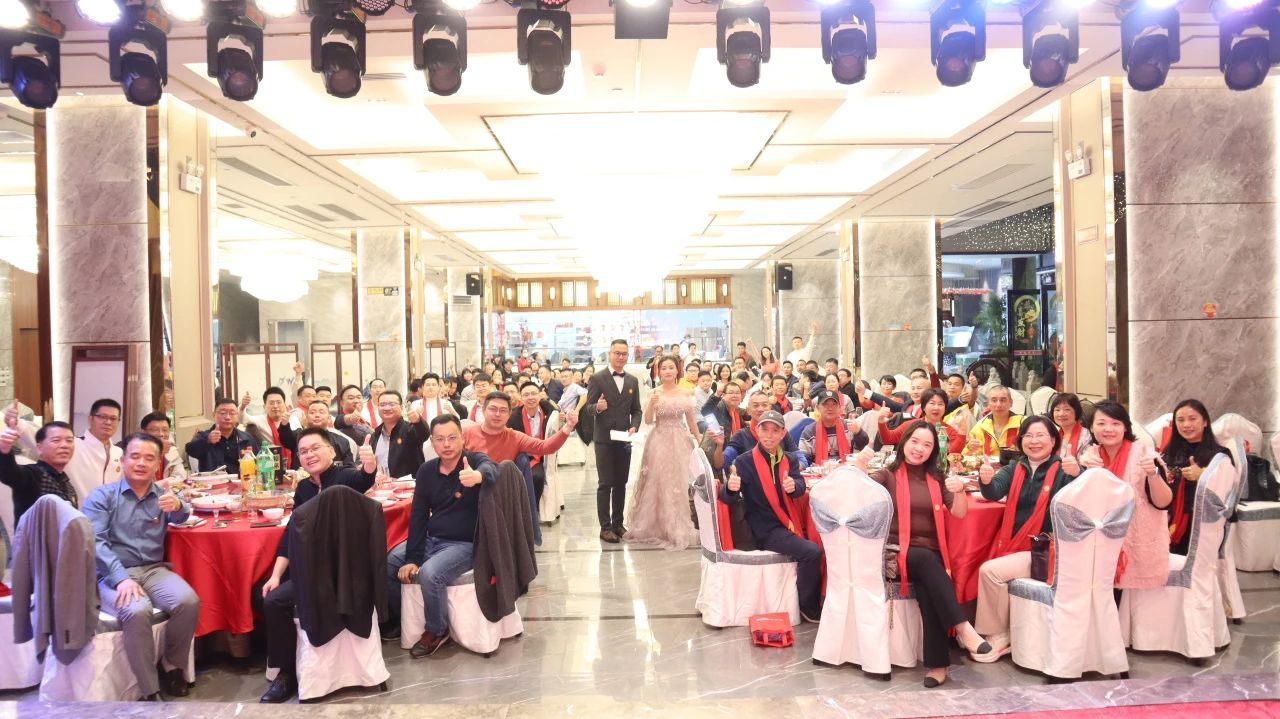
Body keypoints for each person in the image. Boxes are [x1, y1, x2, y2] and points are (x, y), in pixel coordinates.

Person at [857, 420, 990, 687]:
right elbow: (860, 494)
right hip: (893, 553)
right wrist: (860, 467)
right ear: (904, 442)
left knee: (931, 587)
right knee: (929, 563)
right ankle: (963, 628)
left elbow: (959, 512)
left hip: (928, 556)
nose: (919, 448)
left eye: (927, 445)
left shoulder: (937, 478)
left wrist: (959, 491)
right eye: (915, 441)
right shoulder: (887, 475)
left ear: (933, 451)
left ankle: (938, 665)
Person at [259, 427, 378, 702]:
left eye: (315, 448)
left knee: (276, 602)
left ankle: (287, 673)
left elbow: (363, 479)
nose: (309, 455)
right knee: (266, 596)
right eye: (303, 451)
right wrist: (276, 574)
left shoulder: (344, 478)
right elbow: (291, 533)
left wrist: (369, 465)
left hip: (342, 573)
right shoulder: (303, 488)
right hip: (311, 570)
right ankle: (286, 669)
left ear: (331, 451)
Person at [83, 432, 199, 701]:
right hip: (112, 574)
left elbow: (182, 515)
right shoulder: (102, 497)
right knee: (136, 611)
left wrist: (179, 505)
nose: (141, 463)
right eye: (134, 456)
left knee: (188, 602)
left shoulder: (162, 495)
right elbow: (96, 543)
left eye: (149, 458)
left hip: (153, 569)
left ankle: (173, 666)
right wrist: (120, 578)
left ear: (158, 463)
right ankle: (149, 688)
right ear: (122, 461)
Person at [396, 415, 500, 657]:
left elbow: (492, 468)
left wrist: (478, 477)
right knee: (390, 561)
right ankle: (395, 619)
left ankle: (437, 630)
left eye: (452, 438)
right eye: (440, 439)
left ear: (462, 438)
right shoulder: (426, 470)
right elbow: (419, 515)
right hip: (432, 540)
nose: (447, 444)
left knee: (430, 574)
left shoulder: (472, 461)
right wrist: (412, 557)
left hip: (464, 544)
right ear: (432, 442)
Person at [972, 417, 1073, 663]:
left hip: (1044, 550)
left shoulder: (1063, 470)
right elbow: (995, 491)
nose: (1034, 441)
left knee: (989, 571)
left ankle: (998, 634)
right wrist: (986, 480)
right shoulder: (1015, 467)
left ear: (1053, 440)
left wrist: (1077, 475)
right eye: (1028, 435)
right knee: (977, 562)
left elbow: (1076, 500)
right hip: (1015, 545)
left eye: (1041, 435)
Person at [719, 411, 821, 620]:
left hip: (786, 523)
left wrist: (794, 486)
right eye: (764, 429)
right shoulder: (744, 461)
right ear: (757, 431)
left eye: (775, 431)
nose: (769, 435)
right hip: (764, 529)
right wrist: (730, 487)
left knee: (821, 539)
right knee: (812, 552)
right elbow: (727, 497)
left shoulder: (789, 460)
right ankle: (807, 605)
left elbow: (800, 486)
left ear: (783, 434)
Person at [1072, 400, 1171, 589]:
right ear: (1091, 428)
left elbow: (1163, 502)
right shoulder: (1090, 457)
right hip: (1098, 545)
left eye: (1116, 423)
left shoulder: (1144, 456)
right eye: (1101, 423)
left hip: (1137, 549)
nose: (1108, 429)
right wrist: (1079, 473)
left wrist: (1153, 474)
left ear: (1125, 427)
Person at [625, 355, 699, 550]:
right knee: (658, 481)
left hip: (680, 440)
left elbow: (691, 420)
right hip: (659, 440)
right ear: (659, 371)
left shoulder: (686, 392)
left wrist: (700, 439)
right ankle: (659, 526)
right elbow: (648, 420)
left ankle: (678, 525)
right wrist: (651, 403)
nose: (667, 371)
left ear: (677, 371)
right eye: (664, 368)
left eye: (671, 367)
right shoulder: (653, 392)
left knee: (679, 482)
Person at [9, 398, 123, 504]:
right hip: (77, 513)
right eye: (102, 417)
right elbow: (41, 437)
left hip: (108, 516)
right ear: (90, 419)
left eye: (113, 418)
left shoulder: (119, 453)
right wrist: (18, 424)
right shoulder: (73, 444)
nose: (108, 422)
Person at [586, 340, 643, 543]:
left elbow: (637, 410)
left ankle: (618, 523)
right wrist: (597, 407)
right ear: (609, 354)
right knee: (605, 483)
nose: (620, 357)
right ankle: (605, 527)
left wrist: (634, 426)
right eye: (617, 353)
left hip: (624, 439)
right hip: (604, 439)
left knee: (621, 482)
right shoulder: (597, 378)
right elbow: (588, 408)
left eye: (624, 354)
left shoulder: (632, 381)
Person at [1160, 399, 1234, 556]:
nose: (1186, 424)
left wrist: (1204, 475)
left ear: (1205, 421)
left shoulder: (1220, 454)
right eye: (1180, 420)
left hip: (1203, 521)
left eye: (1192, 419)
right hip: (1169, 518)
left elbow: (1229, 489)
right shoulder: (1169, 452)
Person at [0, 418, 78, 526]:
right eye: (56, 440)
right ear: (39, 448)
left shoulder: (68, 485)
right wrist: (4, 449)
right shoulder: (31, 475)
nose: (64, 445)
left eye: (69, 440)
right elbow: (10, 474)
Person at [504, 381, 569, 504]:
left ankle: (533, 507)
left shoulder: (548, 409)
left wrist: (562, 420)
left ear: (540, 395)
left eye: (533, 394)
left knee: (537, 476)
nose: (530, 397)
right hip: (524, 454)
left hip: (544, 453)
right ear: (521, 397)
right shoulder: (513, 417)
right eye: (526, 395)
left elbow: (557, 424)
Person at [723, 390, 805, 468]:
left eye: (764, 405)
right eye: (756, 406)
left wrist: (784, 470)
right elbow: (722, 462)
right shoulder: (741, 436)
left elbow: (802, 461)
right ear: (748, 410)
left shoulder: (781, 433)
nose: (760, 409)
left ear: (770, 408)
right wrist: (719, 446)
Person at [877, 388, 965, 454]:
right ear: (923, 407)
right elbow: (888, 439)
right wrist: (881, 421)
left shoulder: (949, 430)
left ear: (945, 408)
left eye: (940, 404)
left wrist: (962, 433)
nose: (936, 407)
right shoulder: (911, 425)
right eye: (932, 403)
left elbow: (952, 454)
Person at [184, 398, 256, 474]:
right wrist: (207, 440)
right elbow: (189, 450)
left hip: (240, 479)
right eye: (223, 413)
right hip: (213, 480)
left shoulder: (246, 438)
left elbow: (258, 461)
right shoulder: (203, 436)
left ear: (237, 415)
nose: (227, 417)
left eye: (232, 413)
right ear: (214, 414)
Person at [370, 390, 430, 479]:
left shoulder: (410, 430)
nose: (387, 408)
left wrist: (418, 421)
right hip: (381, 486)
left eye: (392, 404)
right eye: (382, 405)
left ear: (401, 407)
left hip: (408, 485)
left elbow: (424, 434)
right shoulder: (375, 435)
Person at [799, 390, 869, 464]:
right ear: (818, 408)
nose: (830, 408)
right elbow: (803, 460)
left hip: (846, 469)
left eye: (834, 404)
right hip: (820, 470)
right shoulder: (809, 431)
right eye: (826, 404)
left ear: (839, 408)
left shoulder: (849, 426)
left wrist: (858, 432)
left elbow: (863, 448)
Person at [240, 387, 298, 469]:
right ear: (264, 406)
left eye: (279, 402)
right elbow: (242, 419)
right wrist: (243, 406)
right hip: (271, 463)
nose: (275, 406)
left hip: (293, 460)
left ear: (285, 405)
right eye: (271, 403)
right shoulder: (260, 419)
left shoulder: (293, 419)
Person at [963, 386, 1023, 457]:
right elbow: (968, 457)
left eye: (1003, 400)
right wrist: (970, 448)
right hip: (988, 464)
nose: (998, 405)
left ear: (1011, 403)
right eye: (994, 400)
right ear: (988, 404)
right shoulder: (981, 426)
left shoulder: (1023, 423)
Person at [140, 411, 187, 481]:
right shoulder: (135, 453)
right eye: (155, 430)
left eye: (165, 430)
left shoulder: (171, 450)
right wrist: (156, 453)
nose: (161, 434)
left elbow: (181, 477)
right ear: (143, 433)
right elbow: (142, 483)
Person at [1049, 392, 1090, 459]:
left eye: (1067, 409)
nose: (1061, 414)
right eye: (1057, 410)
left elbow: (1086, 462)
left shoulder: (1086, 435)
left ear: (1076, 411)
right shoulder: (1053, 434)